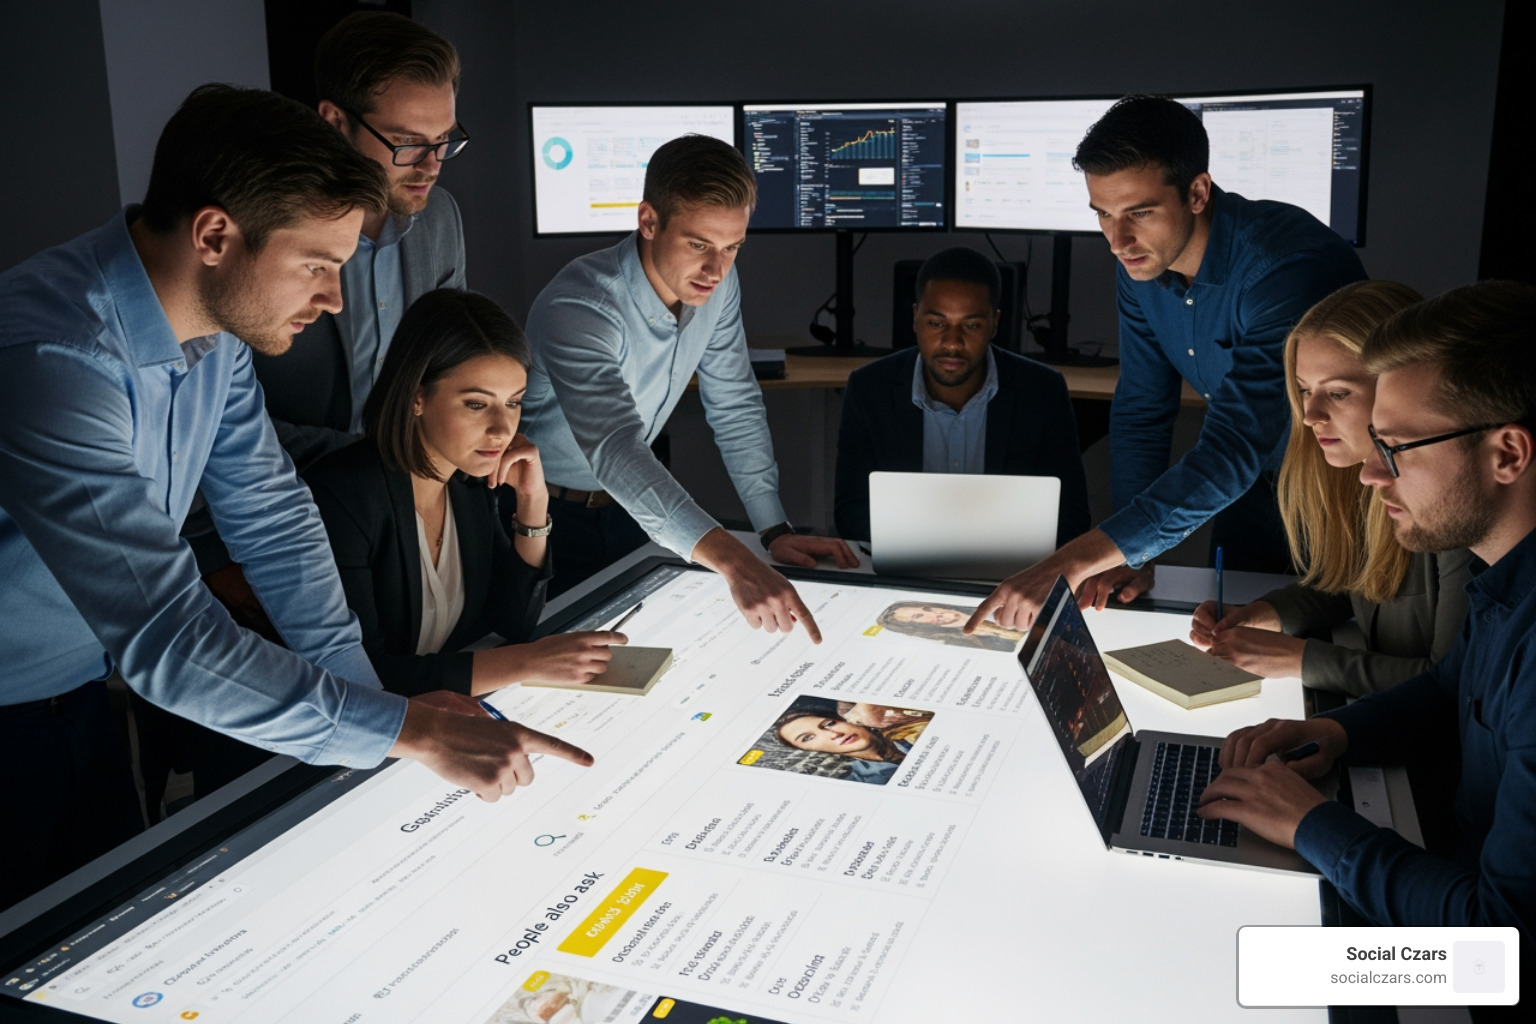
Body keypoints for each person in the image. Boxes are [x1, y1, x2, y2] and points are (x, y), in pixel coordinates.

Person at [0, 85, 585, 912]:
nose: (335, 299)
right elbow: (166, 633)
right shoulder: (58, 357)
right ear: (214, 235)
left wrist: (373, 720)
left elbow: (272, 521)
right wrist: (399, 729)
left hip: (85, 697)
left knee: (88, 933)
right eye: (317, 265)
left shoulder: (216, 336)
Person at [1197, 280, 1536, 936]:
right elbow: (1447, 687)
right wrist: (1333, 732)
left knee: (1253, 968)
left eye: (1399, 448)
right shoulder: (1500, 574)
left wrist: (1311, 825)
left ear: (1507, 454)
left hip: (1472, 964)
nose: (1372, 473)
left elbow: (1496, 939)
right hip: (1447, 874)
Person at [966, 94, 1366, 637]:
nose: (1117, 240)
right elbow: (1141, 408)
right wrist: (1127, 553)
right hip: (1250, 489)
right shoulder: (1140, 266)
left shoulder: (1284, 269)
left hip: (1342, 484)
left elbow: (1236, 443)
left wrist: (1073, 561)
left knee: (1333, 644)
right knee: (1238, 635)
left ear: (1197, 192)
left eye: (1139, 213)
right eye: (1103, 214)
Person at [520, 133, 856, 636]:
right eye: (699, 245)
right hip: (543, 517)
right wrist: (736, 562)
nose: (716, 269)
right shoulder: (581, 307)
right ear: (648, 221)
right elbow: (617, 450)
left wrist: (773, 531)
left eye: (732, 247)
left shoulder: (715, 286)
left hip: (637, 513)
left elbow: (735, 402)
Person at [306, 289, 624, 697]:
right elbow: (364, 680)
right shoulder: (343, 496)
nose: (501, 429)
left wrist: (533, 505)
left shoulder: (468, 484)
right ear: (416, 396)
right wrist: (529, 661)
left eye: (513, 403)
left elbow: (512, 624)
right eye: (476, 405)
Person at [1189, 280, 1473, 695]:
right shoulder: (1358, 479)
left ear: (1402, 388)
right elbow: (1354, 585)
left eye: (1338, 393)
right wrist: (1266, 613)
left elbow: (1454, 688)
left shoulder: (1457, 510)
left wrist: (1299, 660)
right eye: (1304, 390)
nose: (1310, 415)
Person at [253, 10, 468, 471]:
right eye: (407, 142)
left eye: (445, 140)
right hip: (291, 493)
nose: (431, 165)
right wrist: (365, 463)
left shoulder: (441, 216)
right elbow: (225, 412)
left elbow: (453, 356)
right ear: (335, 122)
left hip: (413, 485)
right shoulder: (265, 225)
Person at [834, 246, 1092, 545]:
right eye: (937, 323)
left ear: (994, 323)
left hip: (1009, 568)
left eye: (970, 325)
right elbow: (850, 513)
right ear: (916, 317)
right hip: (907, 564)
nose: (952, 342)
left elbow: (1072, 516)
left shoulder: (1042, 390)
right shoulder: (869, 388)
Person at [772, 706, 931, 785]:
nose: (833, 734)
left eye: (829, 723)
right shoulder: (863, 782)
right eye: (807, 738)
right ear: (809, 750)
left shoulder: (906, 727)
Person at [877, 601, 1023, 653]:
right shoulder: (967, 643)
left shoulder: (979, 604)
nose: (936, 613)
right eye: (918, 617)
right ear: (918, 627)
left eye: (926, 609)